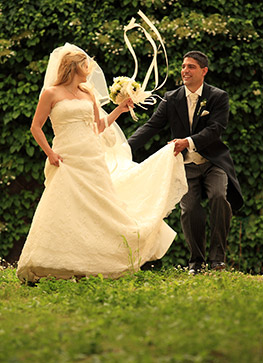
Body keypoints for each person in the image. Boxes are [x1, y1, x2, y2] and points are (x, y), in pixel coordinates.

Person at [16, 43, 188, 282]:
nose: (90, 68)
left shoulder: (87, 93)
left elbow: (98, 127)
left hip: (92, 157)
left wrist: (119, 109)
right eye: (86, 64)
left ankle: (88, 264)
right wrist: (50, 153)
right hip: (67, 157)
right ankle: (45, 262)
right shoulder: (51, 93)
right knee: (64, 208)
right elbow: (36, 127)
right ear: (74, 67)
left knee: (96, 209)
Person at [128, 50, 243, 275]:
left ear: (204, 71)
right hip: (185, 166)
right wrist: (125, 147)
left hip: (213, 163)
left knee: (220, 198)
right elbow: (151, 126)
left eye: (191, 67)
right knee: (189, 209)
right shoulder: (172, 98)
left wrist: (187, 142)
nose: (185, 71)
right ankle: (196, 263)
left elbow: (215, 129)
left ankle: (218, 260)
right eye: (183, 66)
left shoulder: (218, 96)